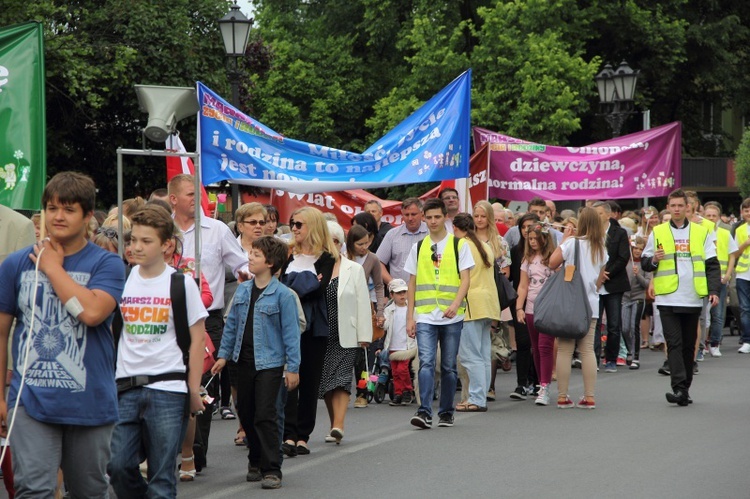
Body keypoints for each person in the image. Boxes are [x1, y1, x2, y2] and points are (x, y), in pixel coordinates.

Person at [0, 172, 125, 497]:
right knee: (33, 488)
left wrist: (53, 268)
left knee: (88, 491)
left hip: (90, 402)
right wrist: (0, 395)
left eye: (69, 209)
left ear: (87, 217)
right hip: (30, 400)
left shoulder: (107, 264)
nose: (58, 216)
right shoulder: (15, 264)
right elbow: (0, 333)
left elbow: (94, 313)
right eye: (52, 208)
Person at [108, 205, 208, 498]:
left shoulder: (181, 283)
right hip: (125, 386)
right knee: (118, 466)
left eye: (145, 241)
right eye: (133, 240)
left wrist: (192, 391)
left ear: (166, 245)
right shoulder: (122, 280)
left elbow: (197, 339)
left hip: (169, 388)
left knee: (162, 477)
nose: (135, 247)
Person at [168, 174, 249, 467]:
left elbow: (240, 262)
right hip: (166, 320)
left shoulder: (216, 230)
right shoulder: (163, 229)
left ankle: (195, 451)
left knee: (201, 386)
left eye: (197, 194)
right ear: (173, 199)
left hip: (207, 318)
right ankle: (170, 447)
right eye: (190, 194)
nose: (197, 199)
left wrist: (246, 273)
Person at [212, 236, 301, 489]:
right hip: (242, 361)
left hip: (270, 363)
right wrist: (223, 355)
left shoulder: (283, 295)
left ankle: (272, 468)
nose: (249, 257)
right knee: (247, 413)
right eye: (250, 253)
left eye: (256, 255)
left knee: (266, 414)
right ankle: (255, 459)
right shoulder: (242, 290)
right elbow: (231, 326)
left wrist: (292, 368)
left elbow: (291, 334)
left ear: (271, 263)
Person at [641, 189, 720, 405]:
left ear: (688, 207)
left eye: (680, 205)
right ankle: (678, 389)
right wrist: (654, 261)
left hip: (693, 296)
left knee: (687, 345)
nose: (676, 209)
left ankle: (685, 388)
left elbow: (712, 264)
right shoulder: (658, 232)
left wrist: (714, 291)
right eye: (672, 205)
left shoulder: (701, 232)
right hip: (667, 297)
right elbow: (645, 262)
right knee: (674, 343)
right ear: (668, 206)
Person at [405, 198, 473, 429]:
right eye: (429, 217)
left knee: (448, 366)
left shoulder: (459, 245)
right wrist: (409, 317)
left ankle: (446, 412)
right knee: (425, 363)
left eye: (437, 216)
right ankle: (424, 411)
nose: (433, 221)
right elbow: (412, 283)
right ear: (424, 218)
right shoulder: (419, 246)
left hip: (451, 314)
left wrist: (455, 304)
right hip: (425, 313)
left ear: (446, 217)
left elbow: (466, 280)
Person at [280, 207, 337, 455]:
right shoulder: (287, 253)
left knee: (310, 380)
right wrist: (308, 281)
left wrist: (296, 284)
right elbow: (282, 286)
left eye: (299, 224)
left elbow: (317, 288)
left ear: (312, 226)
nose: (294, 228)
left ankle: (303, 435)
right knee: (289, 378)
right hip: (288, 324)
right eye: (293, 224)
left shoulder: (327, 257)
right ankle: (288, 434)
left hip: (315, 327)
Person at [317, 221, 372, 443]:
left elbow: (362, 301)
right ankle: (334, 425)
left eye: (335, 241)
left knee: (340, 379)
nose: (331, 245)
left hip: (346, 333)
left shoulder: (354, 268)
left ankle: (339, 424)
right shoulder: (312, 268)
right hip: (320, 333)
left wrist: (365, 335)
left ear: (340, 243)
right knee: (326, 383)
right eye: (326, 240)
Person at [549, 207, 608, 409]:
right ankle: (589, 396)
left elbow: (552, 263)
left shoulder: (572, 244)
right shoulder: (601, 248)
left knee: (565, 349)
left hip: (570, 303)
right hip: (590, 302)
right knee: (587, 349)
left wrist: (564, 240)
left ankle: (563, 396)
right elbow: (600, 278)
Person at [452, 213, 500, 412]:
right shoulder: (484, 245)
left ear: (456, 228)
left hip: (471, 303)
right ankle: (481, 396)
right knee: (482, 354)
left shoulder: (462, 245)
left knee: (471, 355)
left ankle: (477, 398)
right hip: (488, 303)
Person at [515, 222, 558, 406]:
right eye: (529, 238)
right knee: (535, 348)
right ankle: (541, 384)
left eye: (535, 238)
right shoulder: (527, 259)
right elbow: (523, 285)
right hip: (531, 307)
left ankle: (545, 386)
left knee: (545, 346)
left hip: (548, 308)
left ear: (544, 238)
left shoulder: (553, 259)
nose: (532, 241)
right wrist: (519, 307)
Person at [346, 224, 385, 409]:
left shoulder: (373, 259)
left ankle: (363, 393)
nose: (364, 247)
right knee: (345, 351)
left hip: (364, 308)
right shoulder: (343, 257)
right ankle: (342, 390)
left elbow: (379, 286)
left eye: (367, 243)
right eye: (360, 244)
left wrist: (380, 312)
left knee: (364, 353)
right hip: (345, 309)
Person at [592, 201, 631, 372]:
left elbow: (623, 258)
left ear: (608, 215)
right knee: (595, 323)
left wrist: (606, 273)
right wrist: (597, 275)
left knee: (614, 324)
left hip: (613, 283)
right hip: (594, 285)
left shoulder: (620, 233)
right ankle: (593, 360)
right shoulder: (590, 233)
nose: (596, 217)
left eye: (599, 213)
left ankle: (611, 359)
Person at [507, 213, 540, 400]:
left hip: (541, 302)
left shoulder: (545, 251)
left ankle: (537, 382)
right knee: (523, 343)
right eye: (524, 227)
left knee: (537, 343)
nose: (528, 231)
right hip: (520, 301)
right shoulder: (516, 251)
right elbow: (513, 278)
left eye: (531, 226)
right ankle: (521, 383)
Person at [703, 202, 739, 357]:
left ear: (719, 218)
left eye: (714, 216)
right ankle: (702, 344)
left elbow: (732, 256)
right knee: (703, 315)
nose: (711, 218)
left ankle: (715, 343)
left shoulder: (725, 232)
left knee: (718, 314)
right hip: (702, 278)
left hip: (720, 278)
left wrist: (728, 274)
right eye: (708, 215)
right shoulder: (699, 232)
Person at [377, 198, 428, 286]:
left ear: (422, 213)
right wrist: (392, 283)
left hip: (426, 291)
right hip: (400, 293)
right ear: (402, 215)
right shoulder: (392, 235)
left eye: (413, 214)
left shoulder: (431, 233)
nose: (410, 218)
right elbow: (378, 262)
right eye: (406, 215)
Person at [382, 279, 416, 406]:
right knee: (395, 372)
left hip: (406, 346)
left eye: (404, 292)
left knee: (403, 369)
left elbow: (416, 323)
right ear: (391, 295)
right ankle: (398, 393)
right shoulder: (389, 310)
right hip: (393, 345)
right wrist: (381, 322)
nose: (402, 295)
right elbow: (385, 326)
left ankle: (408, 391)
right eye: (398, 293)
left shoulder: (411, 308)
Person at [621, 236, 651, 370]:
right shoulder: (626, 262)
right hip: (625, 297)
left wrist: (638, 274)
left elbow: (647, 284)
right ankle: (629, 350)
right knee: (624, 328)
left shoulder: (644, 265)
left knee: (634, 327)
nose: (637, 251)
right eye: (635, 248)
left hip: (638, 297)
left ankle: (635, 356)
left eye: (640, 249)